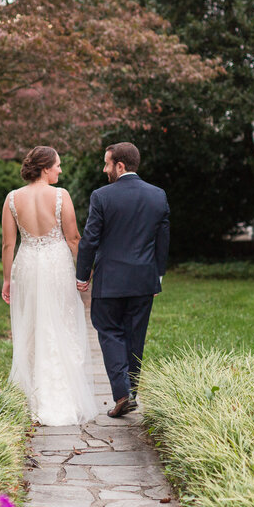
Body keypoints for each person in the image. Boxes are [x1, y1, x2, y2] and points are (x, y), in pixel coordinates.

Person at [2, 146, 99, 426]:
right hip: (56, 264)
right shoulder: (60, 195)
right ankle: (60, 396)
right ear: (45, 168)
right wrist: (85, 272)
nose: (60, 170)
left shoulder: (12, 198)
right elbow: (73, 238)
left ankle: (33, 396)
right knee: (61, 324)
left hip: (28, 264)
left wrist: (7, 279)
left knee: (32, 325)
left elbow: (9, 244)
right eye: (57, 165)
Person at [76, 142, 169, 418]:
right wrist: (158, 276)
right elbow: (162, 241)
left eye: (107, 164)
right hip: (143, 280)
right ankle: (131, 393)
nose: (104, 170)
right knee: (134, 335)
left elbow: (90, 239)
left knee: (109, 330)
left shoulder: (102, 196)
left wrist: (82, 274)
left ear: (120, 165)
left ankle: (121, 393)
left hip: (111, 281)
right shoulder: (158, 195)